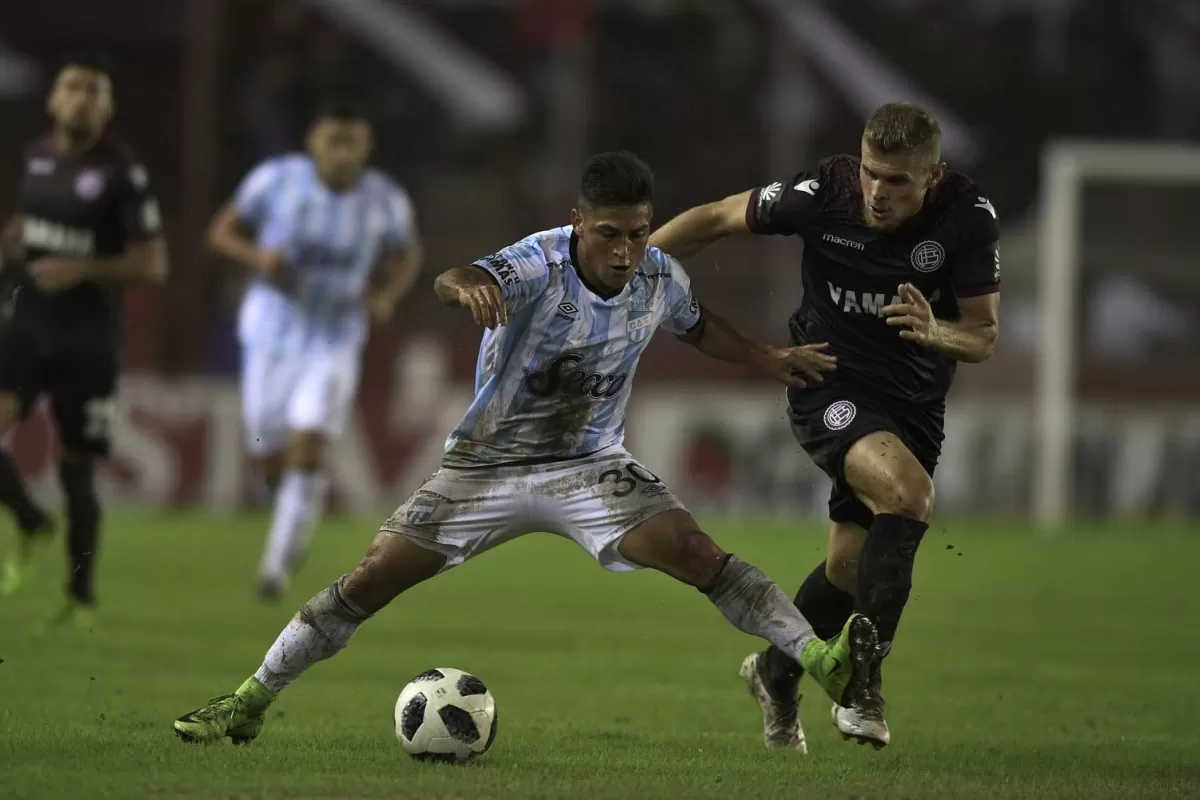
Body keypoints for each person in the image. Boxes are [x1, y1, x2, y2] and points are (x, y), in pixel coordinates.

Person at [172, 150, 882, 744]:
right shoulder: (540, 262)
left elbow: (698, 327)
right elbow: (460, 277)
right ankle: (248, 701)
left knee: (698, 553)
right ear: (578, 223)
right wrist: (468, 292)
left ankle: (818, 659)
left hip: (590, 467)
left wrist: (764, 356)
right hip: (484, 468)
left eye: (637, 233)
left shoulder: (660, 275)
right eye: (610, 233)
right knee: (369, 581)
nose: (627, 250)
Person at [649, 102, 1000, 752]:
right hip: (827, 382)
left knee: (847, 567)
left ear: (934, 177)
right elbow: (722, 215)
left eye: (897, 181)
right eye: (871, 173)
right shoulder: (823, 195)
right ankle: (863, 689)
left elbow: (982, 337)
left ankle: (775, 674)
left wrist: (936, 331)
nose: (878, 191)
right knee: (910, 495)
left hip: (913, 407)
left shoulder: (967, 220)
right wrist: (634, 260)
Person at [205, 101, 424, 600]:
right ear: (313, 143)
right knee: (268, 453)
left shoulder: (385, 199)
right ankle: (290, 514)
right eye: (333, 142)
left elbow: (408, 252)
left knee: (309, 446)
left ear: (366, 148)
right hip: (269, 333)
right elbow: (220, 233)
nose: (343, 154)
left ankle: (276, 566)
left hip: (335, 337)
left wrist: (386, 294)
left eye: (353, 143)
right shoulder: (275, 181)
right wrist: (258, 258)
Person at [0, 54, 169, 624]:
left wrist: (82, 268)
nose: (81, 99)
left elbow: (152, 265)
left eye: (94, 92)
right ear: (53, 101)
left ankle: (79, 597)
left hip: (87, 341)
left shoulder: (124, 173)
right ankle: (28, 520)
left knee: (75, 469)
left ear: (108, 109)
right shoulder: (38, 158)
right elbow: (27, 227)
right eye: (72, 88)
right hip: (28, 327)